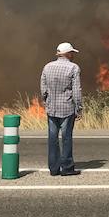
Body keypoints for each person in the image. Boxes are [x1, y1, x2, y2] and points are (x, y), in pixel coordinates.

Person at [40, 42, 83, 176]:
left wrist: (46, 101)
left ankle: (53, 169)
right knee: (66, 138)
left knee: (52, 138)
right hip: (67, 109)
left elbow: (43, 88)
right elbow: (77, 90)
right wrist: (79, 108)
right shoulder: (73, 68)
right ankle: (67, 168)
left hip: (51, 109)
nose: (73, 55)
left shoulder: (47, 67)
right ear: (68, 54)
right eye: (72, 53)